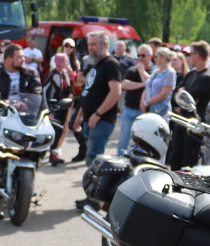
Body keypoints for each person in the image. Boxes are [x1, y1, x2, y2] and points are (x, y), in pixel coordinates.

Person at [167, 41, 210, 169]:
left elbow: (190, 99)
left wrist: (182, 94)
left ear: (198, 55)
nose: (189, 57)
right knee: (175, 158)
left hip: (194, 125)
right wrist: (181, 94)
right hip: (181, 122)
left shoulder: (208, 77)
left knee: (188, 162)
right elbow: (176, 96)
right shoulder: (191, 74)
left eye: (191, 54)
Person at [76, 30, 121, 168]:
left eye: (94, 44)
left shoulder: (110, 64)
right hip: (89, 119)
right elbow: (88, 91)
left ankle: (95, 188)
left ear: (105, 45)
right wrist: (80, 115)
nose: (90, 47)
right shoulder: (95, 63)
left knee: (93, 158)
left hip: (101, 120)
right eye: (89, 44)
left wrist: (98, 114)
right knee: (91, 157)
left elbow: (116, 92)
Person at [117, 44, 152, 155]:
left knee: (142, 142)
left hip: (144, 112)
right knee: (123, 140)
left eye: (143, 55)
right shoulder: (131, 70)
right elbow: (124, 84)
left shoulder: (154, 71)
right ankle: (120, 160)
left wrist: (142, 71)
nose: (140, 58)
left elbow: (150, 84)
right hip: (129, 109)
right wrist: (142, 84)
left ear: (150, 56)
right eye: (138, 55)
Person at [45, 53, 74, 166]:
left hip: (63, 106)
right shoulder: (51, 75)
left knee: (60, 129)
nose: (67, 62)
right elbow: (44, 92)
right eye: (65, 60)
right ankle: (50, 153)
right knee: (53, 130)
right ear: (59, 62)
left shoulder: (65, 74)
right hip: (53, 107)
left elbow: (67, 88)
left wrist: (70, 95)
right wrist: (48, 110)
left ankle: (55, 153)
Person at [142, 47, 176, 117]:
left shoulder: (170, 72)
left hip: (160, 109)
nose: (154, 59)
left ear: (163, 57)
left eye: (156, 56)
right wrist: (142, 101)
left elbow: (164, 94)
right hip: (149, 107)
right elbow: (148, 86)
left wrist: (146, 103)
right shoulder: (155, 72)